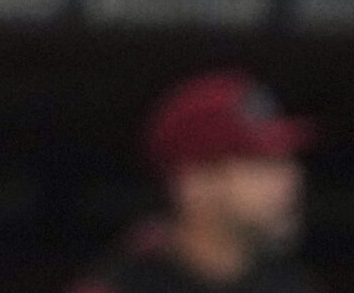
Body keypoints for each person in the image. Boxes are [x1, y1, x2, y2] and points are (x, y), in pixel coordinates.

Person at [70, 71, 317, 293]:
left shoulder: (290, 284)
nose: (289, 180)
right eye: (260, 166)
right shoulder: (120, 284)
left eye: (286, 161)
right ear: (195, 183)